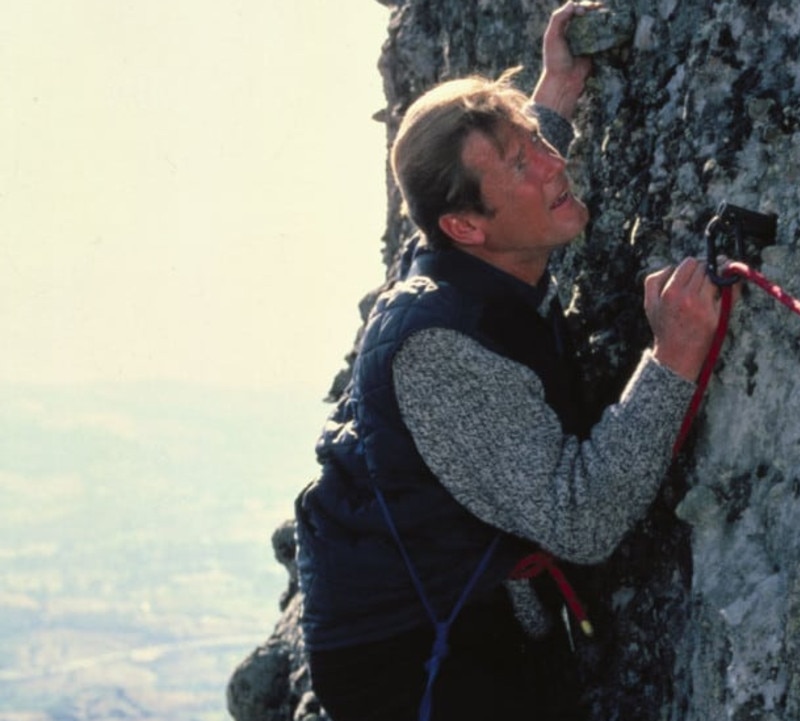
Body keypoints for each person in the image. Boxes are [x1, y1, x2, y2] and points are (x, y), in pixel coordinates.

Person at [292, 4, 723, 720]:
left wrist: (550, 95)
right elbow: (581, 517)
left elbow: (496, 184)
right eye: (526, 162)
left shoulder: (457, 254)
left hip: (453, 616)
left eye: (535, 144)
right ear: (465, 227)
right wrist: (673, 357)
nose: (557, 165)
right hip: (412, 665)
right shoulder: (439, 350)